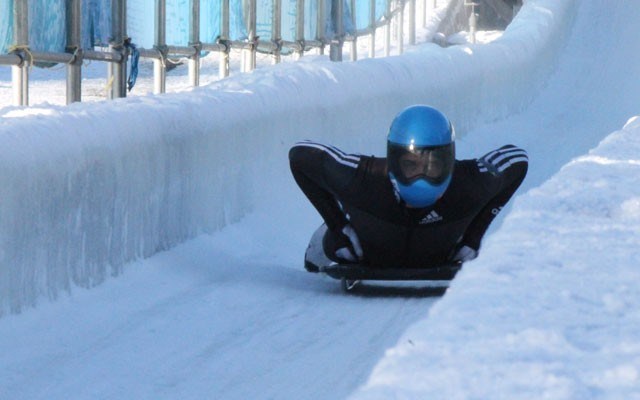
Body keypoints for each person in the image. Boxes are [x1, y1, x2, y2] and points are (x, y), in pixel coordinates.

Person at [289, 105, 528, 271]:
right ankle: (332, 230)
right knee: (320, 256)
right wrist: (337, 224)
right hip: (363, 240)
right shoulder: (367, 178)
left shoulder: (468, 184)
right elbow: (301, 154)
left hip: (434, 249)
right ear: (394, 161)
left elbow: (518, 160)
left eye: (433, 166)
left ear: (449, 162)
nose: (421, 177)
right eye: (410, 166)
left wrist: (475, 235)